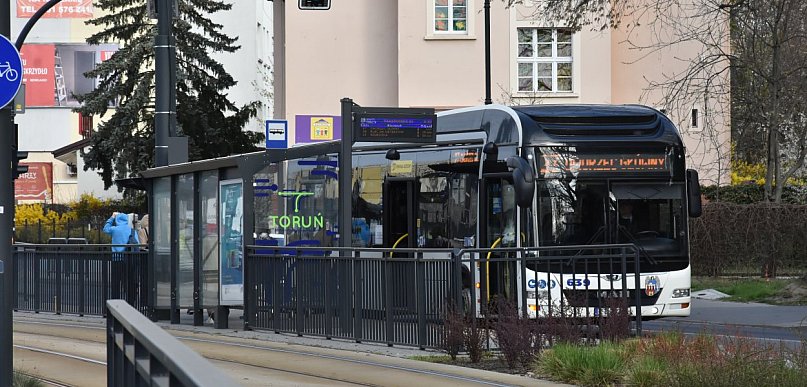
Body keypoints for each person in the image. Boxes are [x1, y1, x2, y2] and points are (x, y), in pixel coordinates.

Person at [104, 212, 134, 299]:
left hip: (116, 258)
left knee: (116, 282)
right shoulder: (131, 229)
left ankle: (115, 300)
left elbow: (105, 229)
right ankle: (130, 301)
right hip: (129, 258)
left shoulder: (115, 229)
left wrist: (112, 217)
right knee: (129, 281)